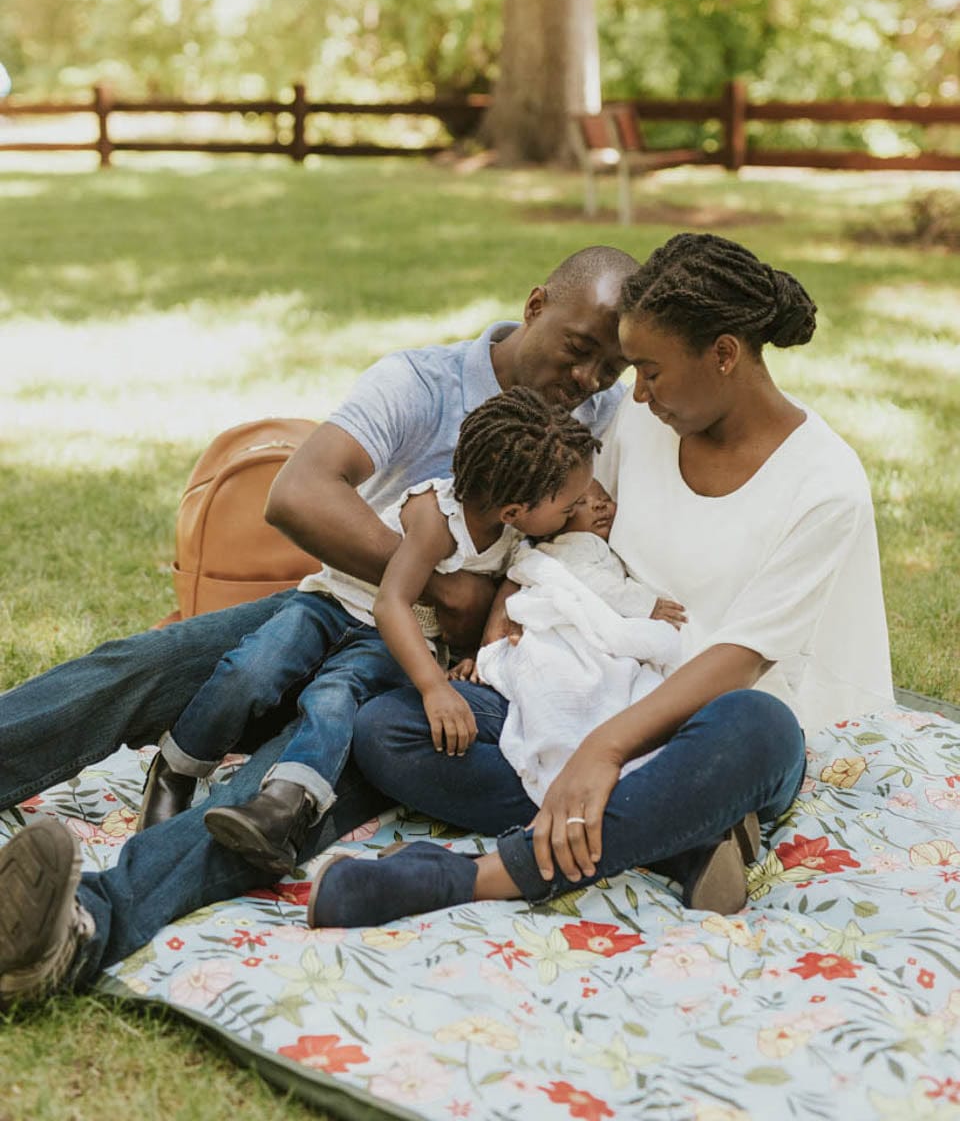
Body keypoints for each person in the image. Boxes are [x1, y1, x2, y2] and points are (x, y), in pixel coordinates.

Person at [0, 244, 639, 1005]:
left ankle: (73, 933)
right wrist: (439, 585)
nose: (588, 380)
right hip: (338, 609)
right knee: (142, 665)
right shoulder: (422, 383)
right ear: (536, 306)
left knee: (273, 800)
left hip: (412, 684)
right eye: (579, 350)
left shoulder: (608, 421)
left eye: (612, 368)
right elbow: (296, 493)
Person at [307, 231, 895, 931]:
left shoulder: (825, 486)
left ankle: (475, 877)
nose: (634, 394)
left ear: (724, 354)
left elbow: (739, 663)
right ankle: (676, 833)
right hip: (587, 687)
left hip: (708, 726)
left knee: (760, 728)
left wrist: (604, 749)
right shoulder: (647, 423)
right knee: (390, 729)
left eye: (649, 371)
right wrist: (504, 621)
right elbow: (566, 531)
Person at [140, 388, 600, 876]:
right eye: (569, 505)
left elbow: (493, 594)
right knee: (252, 669)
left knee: (334, 700)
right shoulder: (435, 516)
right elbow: (391, 603)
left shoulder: (516, 533)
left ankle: (281, 810)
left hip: (389, 642)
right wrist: (434, 688)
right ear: (514, 509)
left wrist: (470, 656)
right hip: (333, 606)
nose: (574, 511)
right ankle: (176, 770)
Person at [464, 479, 685, 806]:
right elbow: (589, 580)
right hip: (561, 631)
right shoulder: (576, 544)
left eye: (604, 498)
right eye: (581, 503)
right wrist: (645, 604)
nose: (599, 505)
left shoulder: (599, 544)